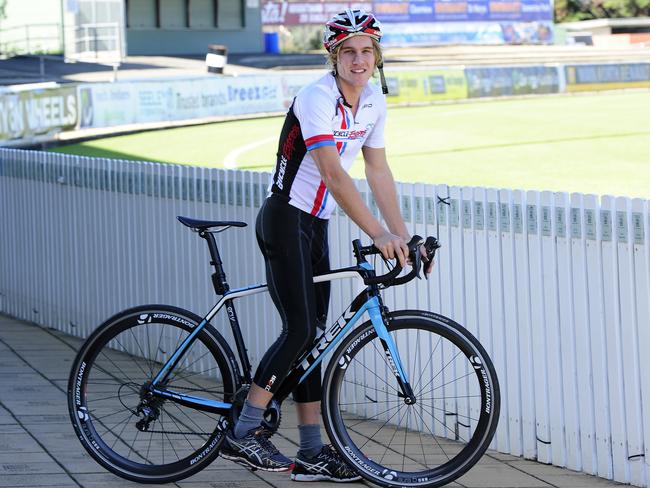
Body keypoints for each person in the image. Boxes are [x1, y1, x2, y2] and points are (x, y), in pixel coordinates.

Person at [220, 8, 430, 482]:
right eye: (349, 52)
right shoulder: (315, 97)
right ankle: (244, 430)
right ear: (332, 57)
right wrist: (378, 235)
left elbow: (377, 170)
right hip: (284, 218)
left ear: (377, 57)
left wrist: (402, 235)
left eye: (366, 52)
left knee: (315, 338)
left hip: (315, 224)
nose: (359, 60)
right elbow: (335, 175)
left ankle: (312, 451)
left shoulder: (374, 99)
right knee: (299, 330)